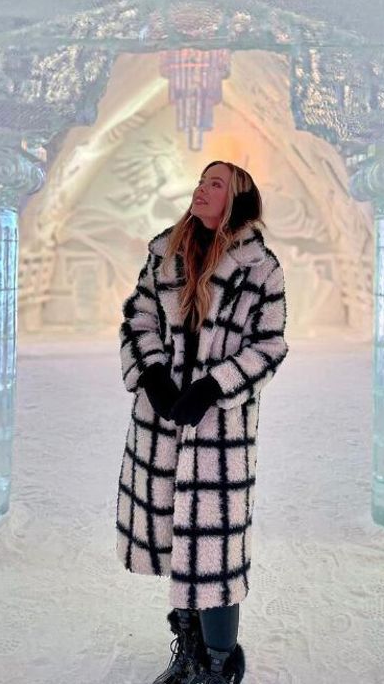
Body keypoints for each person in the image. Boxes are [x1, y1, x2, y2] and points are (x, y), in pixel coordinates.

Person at [117, 160, 289, 684]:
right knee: (176, 538)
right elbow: (138, 317)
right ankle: (189, 651)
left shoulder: (262, 268)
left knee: (213, 547)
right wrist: (153, 376)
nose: (201, 190)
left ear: (237, 198)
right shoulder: (164, 252)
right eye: (200, 181)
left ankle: (219, 662)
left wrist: (216, 386)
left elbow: (271, 344)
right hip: (163, 423)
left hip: (220, 430)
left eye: (215, 183)